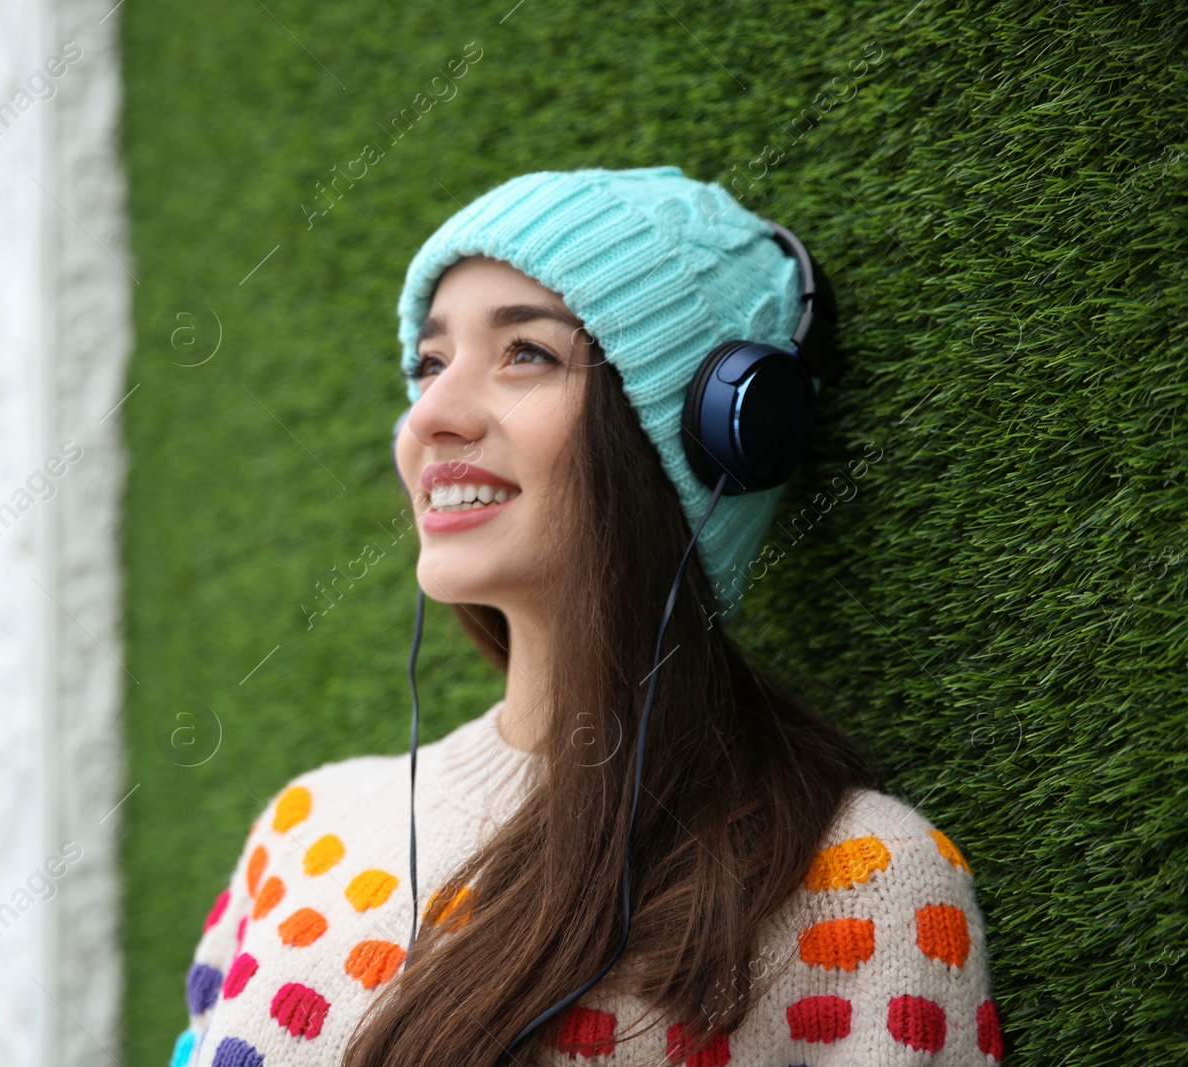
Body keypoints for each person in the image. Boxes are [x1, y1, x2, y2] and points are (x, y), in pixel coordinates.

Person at [169, 167, 1001, 1067]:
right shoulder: (304, 825)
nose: (430, 417)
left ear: (719, 438)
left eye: (527, 352)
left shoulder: (864, 880)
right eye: (430, 362)